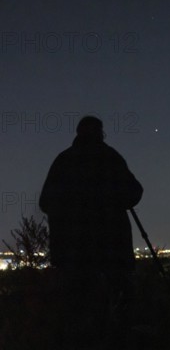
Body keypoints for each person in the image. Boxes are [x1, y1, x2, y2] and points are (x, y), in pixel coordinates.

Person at [39, 116, 143, 341]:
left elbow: (45, 202)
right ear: (101, 133)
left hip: (72, 253)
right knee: (117, 310)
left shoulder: (64, 161)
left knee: (76, 314)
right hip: (112, 250)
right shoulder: (111, 159)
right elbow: (134, 192)